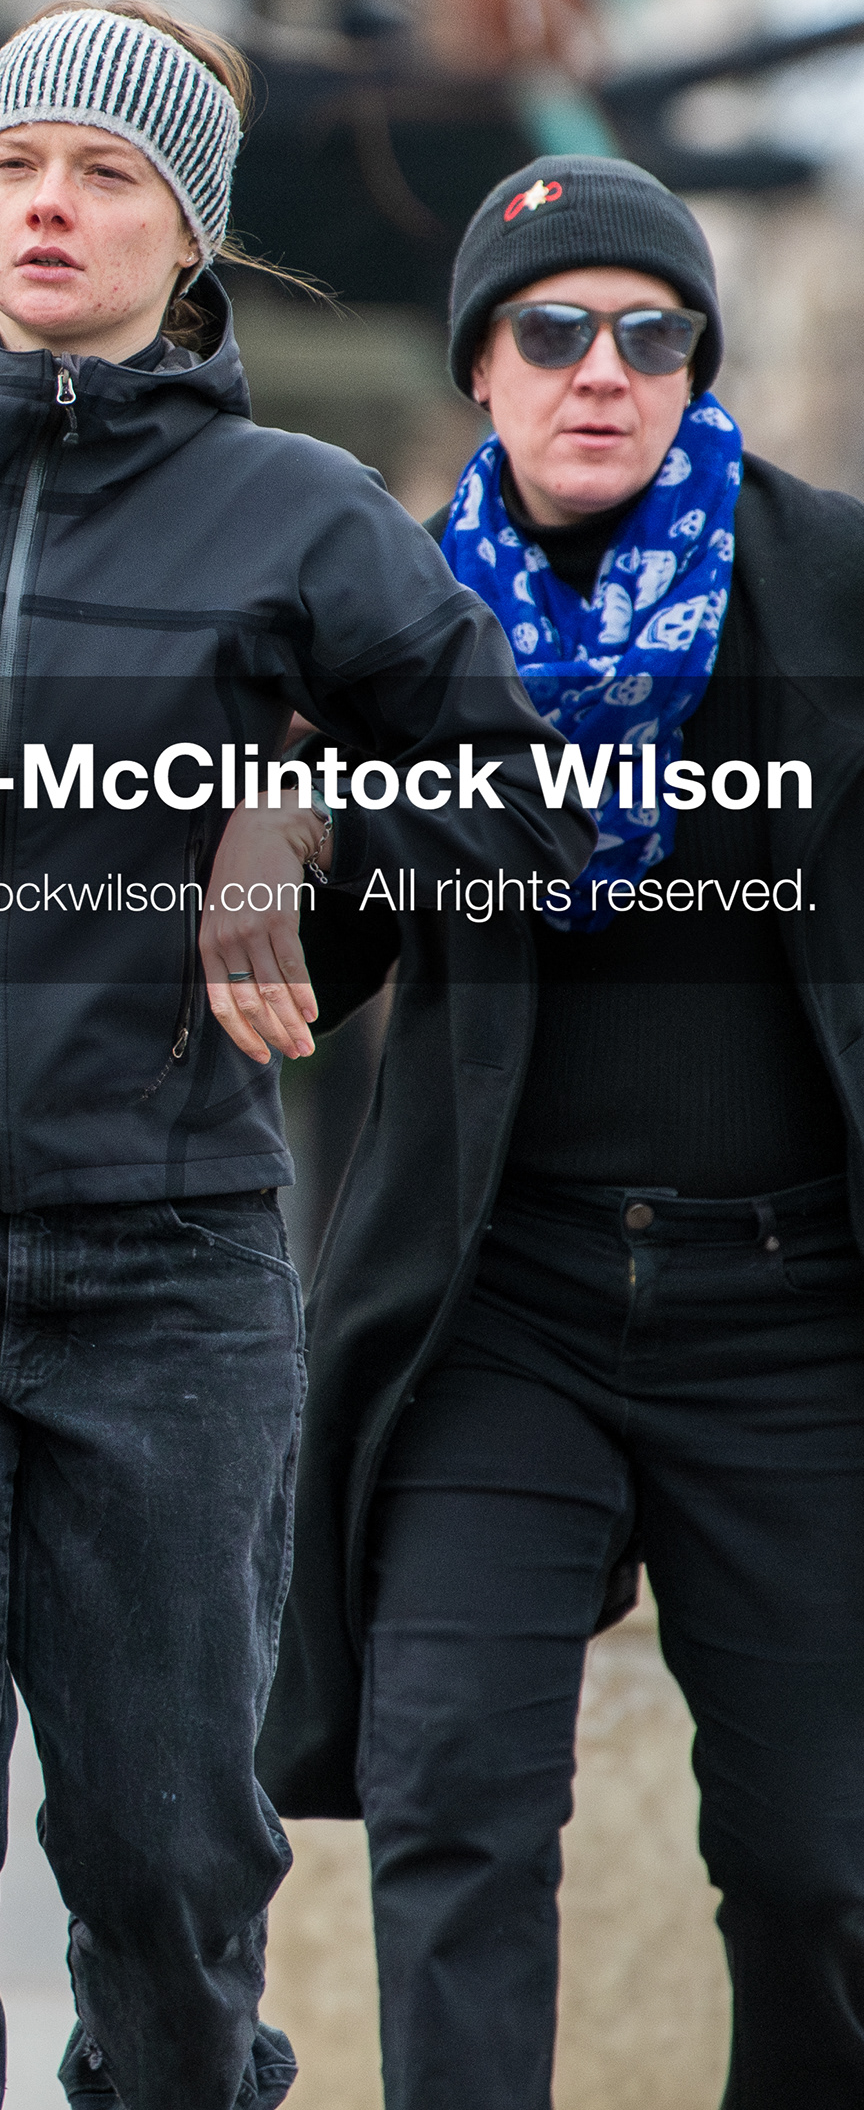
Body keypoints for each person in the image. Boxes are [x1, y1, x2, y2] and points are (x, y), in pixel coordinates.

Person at [0, 0, 584, 2109]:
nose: (49, 206)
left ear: (193, 236)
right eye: (15, 166)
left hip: (167, 1263)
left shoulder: (308, 521)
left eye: (107, 175)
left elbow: (519, 818)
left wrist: (309, 811)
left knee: (169, 1864)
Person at [256, 155, 864, 2106]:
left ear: (697, 362)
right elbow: (322, 958)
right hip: (499, 1305)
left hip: (794, 1317)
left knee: (815, 1867)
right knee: (451, 1801)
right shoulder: (397, 612)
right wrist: (284, 823)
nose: (600, 367)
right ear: (483, 364)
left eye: (650, 330)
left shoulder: (832, 584)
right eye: (551, 328)